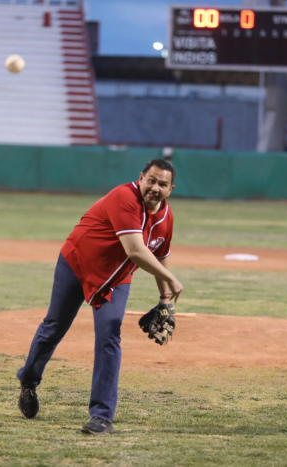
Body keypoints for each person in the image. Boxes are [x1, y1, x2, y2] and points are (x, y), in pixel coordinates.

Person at [16, 158, 183, 435]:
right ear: (141, 178)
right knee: (55, 326)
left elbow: (160, 253)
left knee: (109, 335)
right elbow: (136, 251)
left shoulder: (166, 217)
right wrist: (172, 279)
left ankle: (102, 416)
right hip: (78, 263)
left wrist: (164, 298)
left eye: (162, 184)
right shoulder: (124, 197)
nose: (155, 187)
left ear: (170, 189)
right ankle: (28, 381)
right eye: (151, 180)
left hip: (115, 278)